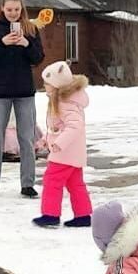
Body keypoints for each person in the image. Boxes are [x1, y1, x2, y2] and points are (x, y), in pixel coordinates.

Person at [0, 0, 44, 199]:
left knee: (26, 139)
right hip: (0, 93)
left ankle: (27, 184)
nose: (13, 13)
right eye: (9, 9)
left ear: (21, 8)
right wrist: (2, 43)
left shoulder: (31, 29)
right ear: (2, 8)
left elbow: (38, 58)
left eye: (17, 9)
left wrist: (26, 44)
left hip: (25, 92)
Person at [33, 61, 92, 228]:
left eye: (47, 83)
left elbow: (75, 126)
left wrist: (59, 144)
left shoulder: (65, 102)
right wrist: (46, 140)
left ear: (57, 85)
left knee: (52, 180)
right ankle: (83, 215)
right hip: (71, 151)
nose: (44, 85)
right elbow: (57, 127)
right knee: (75, 183)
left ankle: (50, 215)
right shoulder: (63, 100)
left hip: (65, 152)